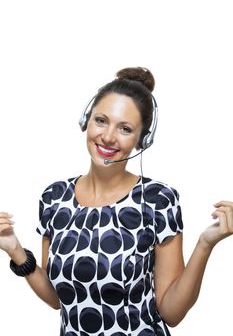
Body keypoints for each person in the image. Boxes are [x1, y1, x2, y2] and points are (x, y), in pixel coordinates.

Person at [0, 67, 232, 336]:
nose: (108, 136)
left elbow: (172, 312)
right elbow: (58, 299)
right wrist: (15, 250)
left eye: (125, 128)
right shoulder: (54, 198)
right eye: (101, 120)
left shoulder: (157, 200)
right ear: (86, 121)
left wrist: (205, 244)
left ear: (142, 140)